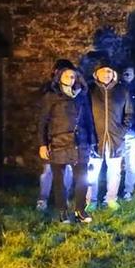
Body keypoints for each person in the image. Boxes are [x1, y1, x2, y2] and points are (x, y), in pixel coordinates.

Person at [38, 65, 96, 223]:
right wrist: (43, 144)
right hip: (59, 142)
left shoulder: (82, 96)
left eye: (73, 77)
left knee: (82, 179)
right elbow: (43, 122)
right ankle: (62, 211)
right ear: (59, 78)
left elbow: (88, 120)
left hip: (80, 142)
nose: (70, 79)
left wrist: (92, 141)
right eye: (66, 76)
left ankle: (80, 211)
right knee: (60, 181)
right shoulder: (51, 96)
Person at [87, 58, 132, 210]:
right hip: (95, 138)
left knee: (114, 171)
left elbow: (128, 114)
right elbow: (84, 114)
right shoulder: (90, 91)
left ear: (113, 74)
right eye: (103, 71)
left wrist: (121, 131)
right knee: (92, 171)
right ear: (96, 74)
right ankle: (90, 200)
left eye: (109, 71)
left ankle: (111, 198)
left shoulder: (122, 91)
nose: (106, 74)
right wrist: (88, 134)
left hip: (115, 138)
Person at [36, 59, 74, 211]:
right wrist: (42, 143)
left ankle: (64, 196)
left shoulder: (75, 93)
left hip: (68, 140)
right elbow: (42, 120)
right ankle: (43, 198)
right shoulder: (49, 92)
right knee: (48, 170)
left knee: (68, 169)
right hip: (52, 138)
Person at [120, 66, 135, 201]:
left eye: (130, 72)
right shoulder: (116, 90)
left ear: (134, 74)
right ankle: (113, 191)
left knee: (132, 163)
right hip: (118, 132)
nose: (127, 74)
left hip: (133, 131)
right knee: (116, 164)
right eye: (125, 72)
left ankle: (129, 190)